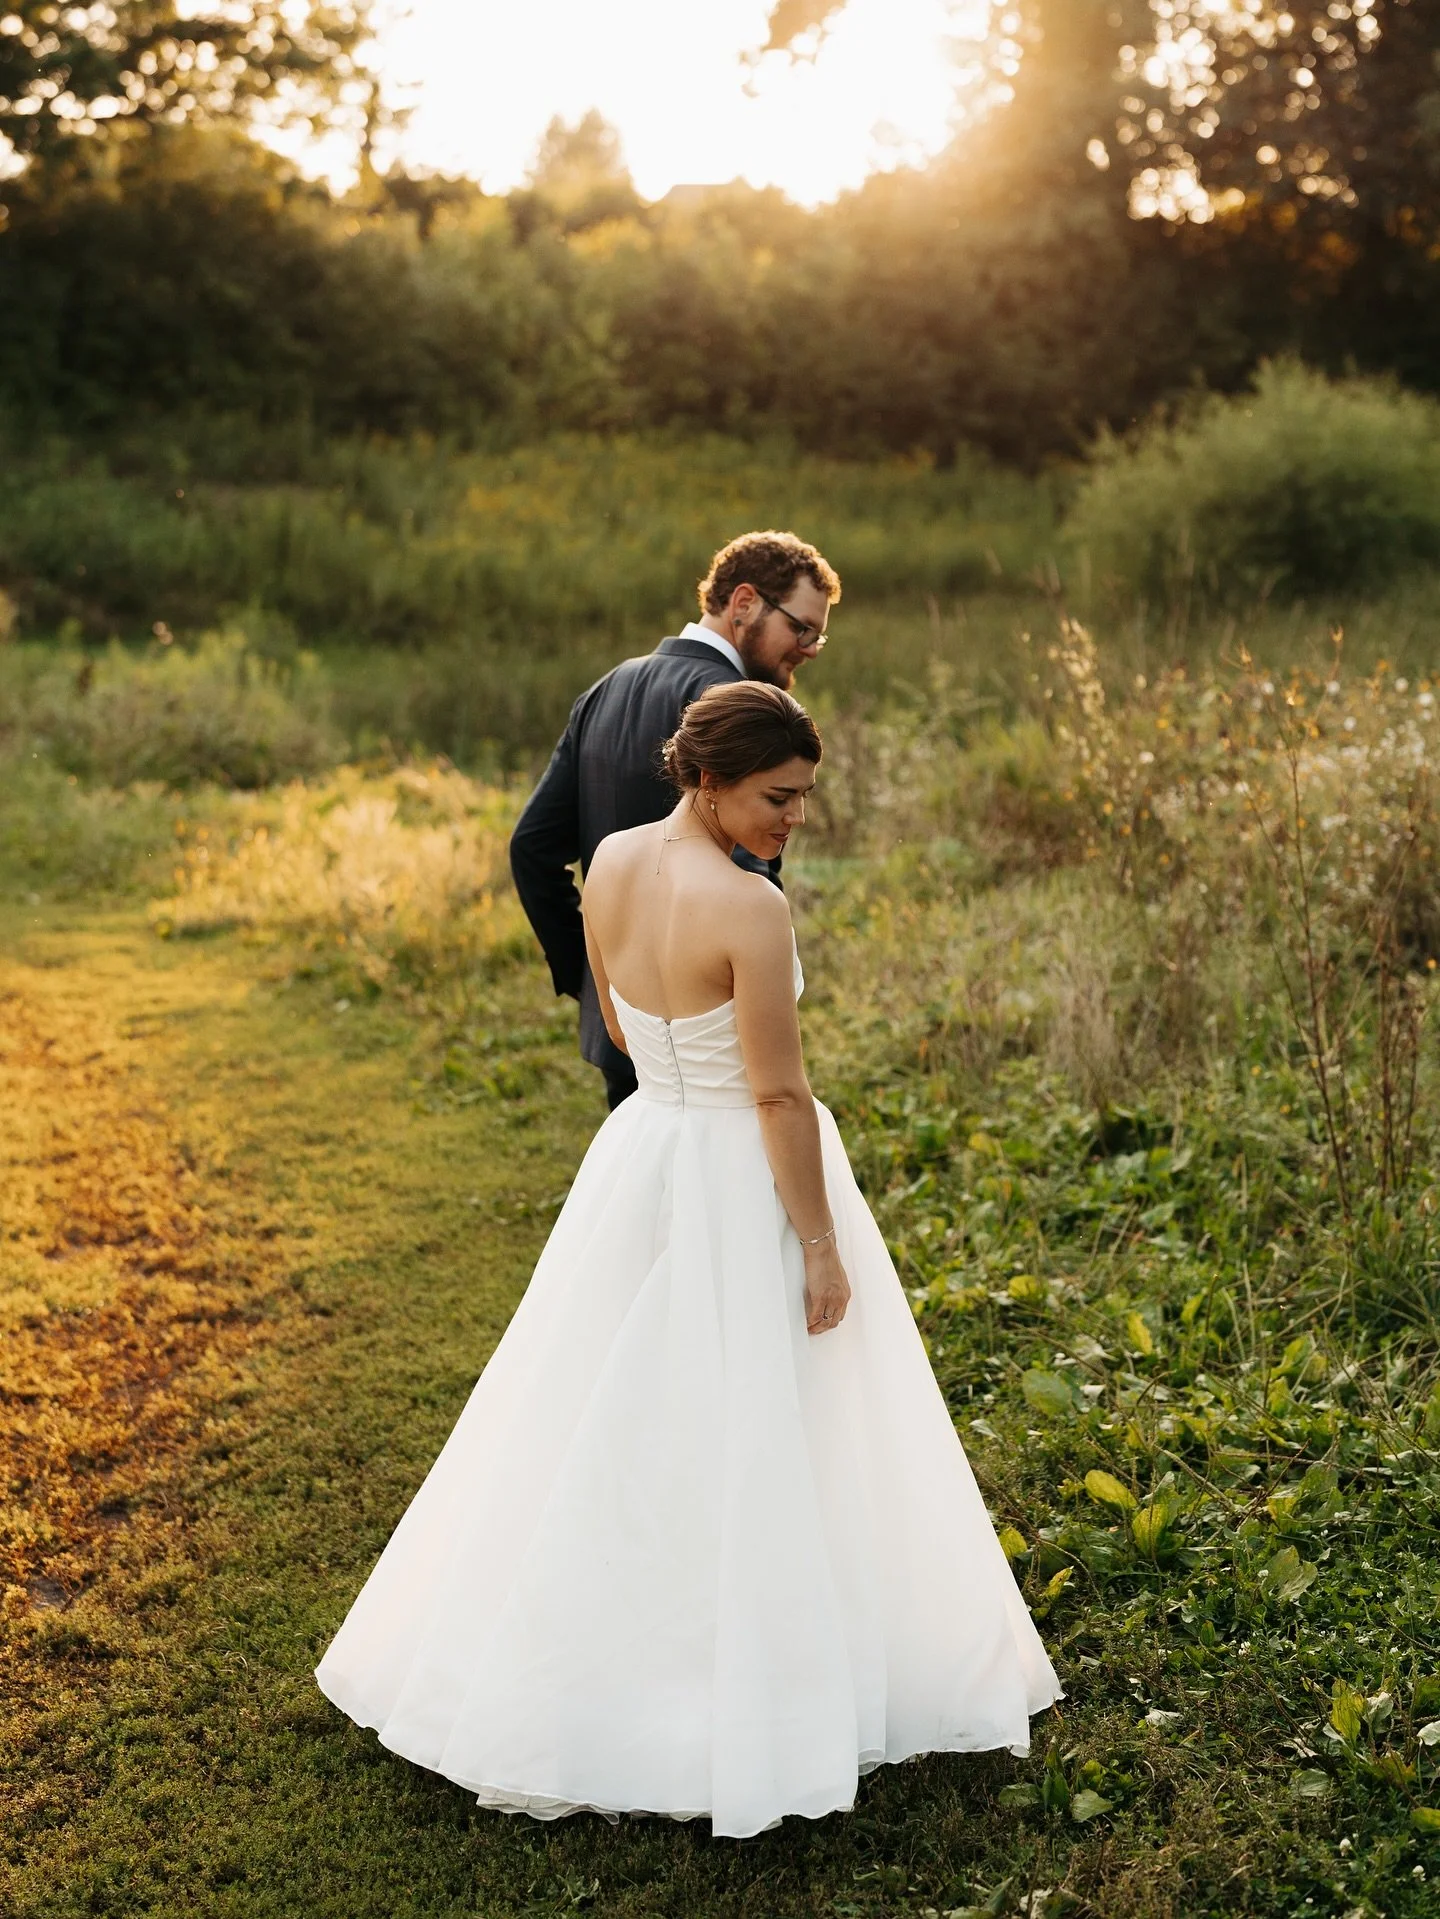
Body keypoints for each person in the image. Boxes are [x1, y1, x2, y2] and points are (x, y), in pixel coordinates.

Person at [315, 682, 1061, 1840]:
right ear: (710, 780)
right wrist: (821, 1241)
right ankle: (742, 1676)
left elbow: (617, 1022)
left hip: (647, 1147)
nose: (795, 817)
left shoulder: (610, 860)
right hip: (737, 1170)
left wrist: (674, 1077)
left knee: (616, 1400)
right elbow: (777, 1094)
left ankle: (617, 1652)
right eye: (778, 796)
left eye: (804, 796)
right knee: (768, 1405)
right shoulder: (751, 909)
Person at [509, 528, 840, 1111]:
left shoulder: (609, 686)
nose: (811, 649)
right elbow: (751, 876)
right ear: (744, 604)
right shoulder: (743, 709)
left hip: (624, 1028)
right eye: (802, 628)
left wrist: (596, 980)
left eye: (818, 635)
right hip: (712, 1041)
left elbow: (532, 848)